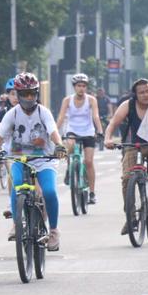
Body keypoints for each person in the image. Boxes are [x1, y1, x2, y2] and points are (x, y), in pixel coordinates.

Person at [0, 73, 67, 250]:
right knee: (17, 186)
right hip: (20, 159)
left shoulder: (43, 112)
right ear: (18, 94)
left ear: (37, 94)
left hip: (44, 160)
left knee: (49, 191)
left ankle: (53, 231)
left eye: (32, 93)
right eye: (25, 94)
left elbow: (53, 131)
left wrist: (59, 146)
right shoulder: (12, 113)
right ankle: (17, 225)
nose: (29, 97)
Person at [104, 78, 148, 234]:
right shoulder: (127, 105)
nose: (145, 95)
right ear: (135, 95)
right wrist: (107, 139)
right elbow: (113, 123)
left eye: (147, 91)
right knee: (127, 179)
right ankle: (131, 219)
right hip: (134, 146)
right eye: (141, 92)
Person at [55, 73, 103, 205]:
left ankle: (92, 193)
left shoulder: (91, 100)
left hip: (88, 132)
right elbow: (61, 117)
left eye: (83, 86)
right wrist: (55, 132)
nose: (81, 88)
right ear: (74, 87)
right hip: (72, 130)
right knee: (69, 147)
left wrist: (100, 131)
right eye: (78, 86)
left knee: (88, 161)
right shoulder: (67, 100)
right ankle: (69, 169)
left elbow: (96, 116)